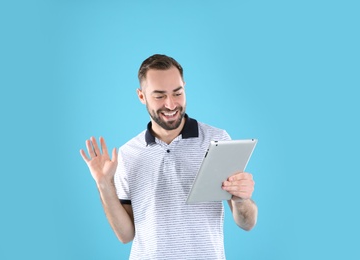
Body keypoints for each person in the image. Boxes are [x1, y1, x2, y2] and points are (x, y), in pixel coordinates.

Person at [80, 54, 258, 260]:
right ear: (141, 96)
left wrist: (241, 199)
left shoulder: (217, 140)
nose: (171, 104)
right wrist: (104, 184)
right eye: (159, 96)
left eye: (177, 93)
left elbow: (247, 223)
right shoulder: (128, 154)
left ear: (185, 88)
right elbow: (125, 235)